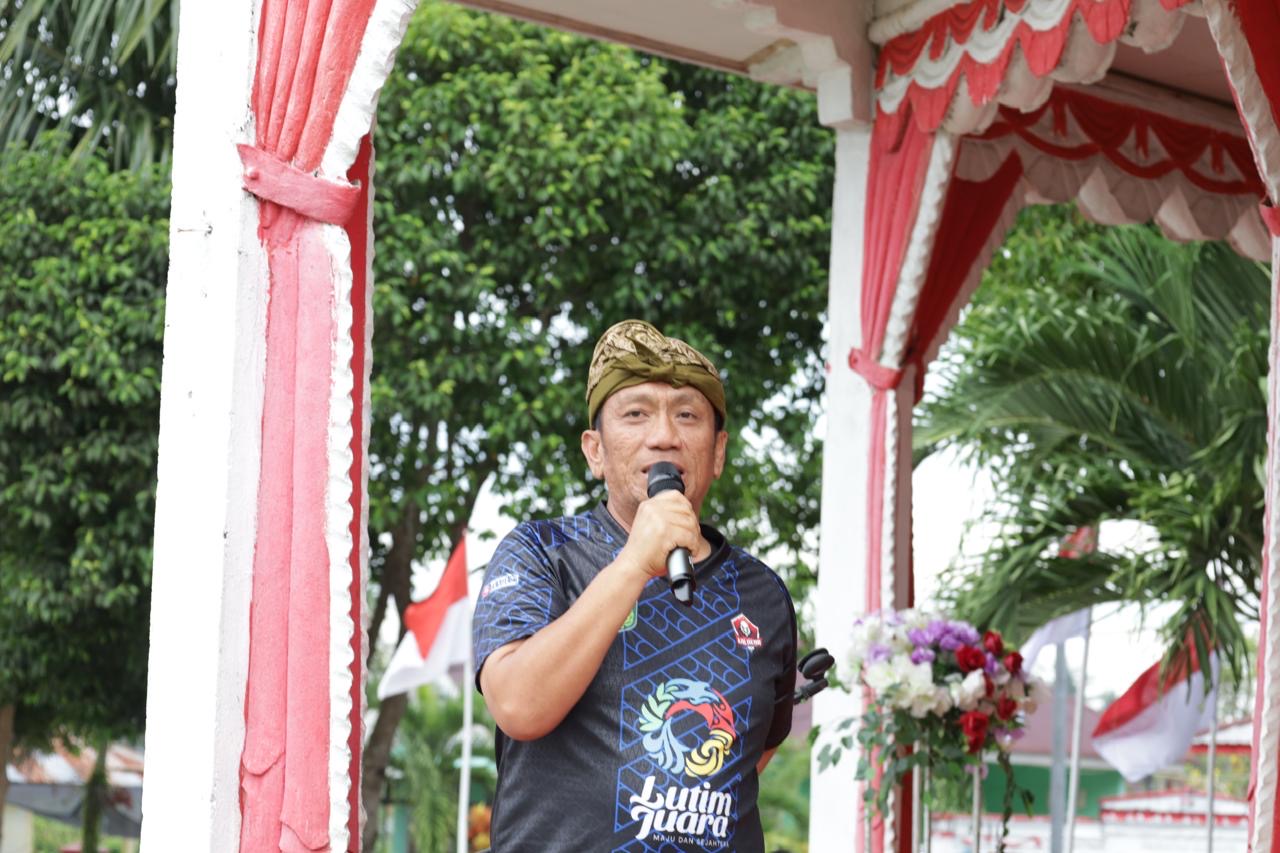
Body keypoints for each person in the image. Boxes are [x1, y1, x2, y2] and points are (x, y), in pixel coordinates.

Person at [472, 319, 798, 851]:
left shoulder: (763, 594)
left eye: (687, 415)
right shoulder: (541, 553)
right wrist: (633, 564)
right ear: (595, 451)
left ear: (718, 451)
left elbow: (754, 752)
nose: (664, 435)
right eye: (636, 414)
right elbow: (518, 706)